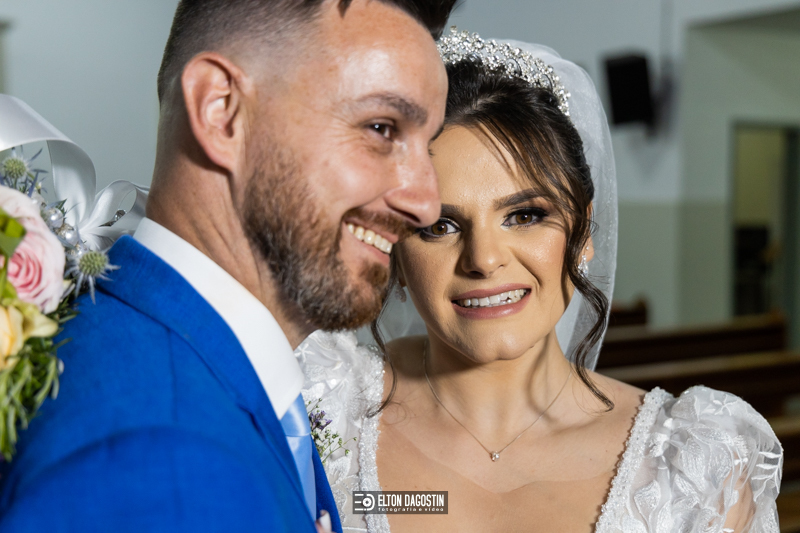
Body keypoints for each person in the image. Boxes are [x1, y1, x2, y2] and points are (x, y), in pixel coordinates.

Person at [297, 30, 783, 532]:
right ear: (394, 243)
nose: (484, 260)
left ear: (583, 231)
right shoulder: (320, 405)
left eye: (525, 216)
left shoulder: (694, 472)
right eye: (440, 226)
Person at [0, 1, 457, 531]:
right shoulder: (160, 462)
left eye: (427, 147)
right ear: (222, 111)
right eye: (381, 128)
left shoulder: (172, 361)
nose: (426, 204)